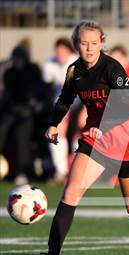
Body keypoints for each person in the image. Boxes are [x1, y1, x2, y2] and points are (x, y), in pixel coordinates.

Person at [29, 20, 129, 255]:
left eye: (94, 44)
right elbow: (65, 99)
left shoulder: (112, 68)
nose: (89, 48)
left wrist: (105, 125)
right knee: (71, 193)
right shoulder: (75, 71)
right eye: (84, 43)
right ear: (77, 44)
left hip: (125, 140)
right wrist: (53, 124)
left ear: (101, 44)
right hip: (94, 140)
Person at [0, 45, 46, 185]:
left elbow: (38, 92)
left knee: (22, 133)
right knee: (2, 129)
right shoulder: (10, 73)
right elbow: (9, 94)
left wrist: (32, 104)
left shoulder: (33, 70)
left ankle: (22, 171)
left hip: (28, 113)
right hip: (12, 111)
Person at [42, 38, 78, 182]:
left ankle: (77, 171)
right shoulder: (49, 64)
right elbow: (46, 86)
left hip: (81, 101)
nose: (60, 54)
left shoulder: (76, 62)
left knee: (81, 130)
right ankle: (61, 171)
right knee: (56, 129)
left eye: (64, 50)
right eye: (58, 51)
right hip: (62, 103)